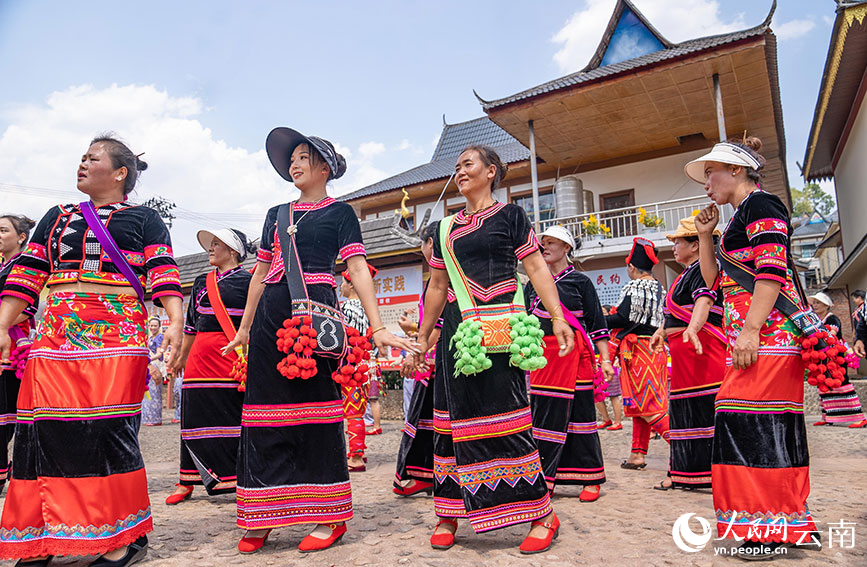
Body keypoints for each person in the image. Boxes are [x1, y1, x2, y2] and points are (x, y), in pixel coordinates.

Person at [224, 127, 416, 554]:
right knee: (262, 414)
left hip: (315, 318)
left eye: (303, 157)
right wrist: (243, 329)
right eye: (290, 158)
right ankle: (264, 510)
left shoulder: (342, 214)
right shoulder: (275, 213)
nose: (294, 164)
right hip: (271, 318)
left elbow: (359, 268)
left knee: (316, 412)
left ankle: (328, 514)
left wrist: (378, 324)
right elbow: (259, 273)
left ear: (325, 167)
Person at [0, 135, 184, 567]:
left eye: (93, 158)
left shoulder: (144, 219)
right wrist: (2, 323)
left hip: (118, 336)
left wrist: (175, 320)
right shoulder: (58, 217)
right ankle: (43, 534)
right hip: (55, 335)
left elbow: (162, 271)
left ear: (120, 172)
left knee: (106, 430)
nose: (82, 163)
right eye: (81, 157)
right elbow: (29, 271)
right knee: (41, 430)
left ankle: (124, 535)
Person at [412, 144, 574, 554]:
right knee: (450, 420)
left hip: (504, 329)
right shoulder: (443, 229)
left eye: (468, 164)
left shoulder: (512, 216)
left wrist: (556, 315)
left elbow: (535, 267)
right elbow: (437, 286)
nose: (461, 172)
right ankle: (448, 511)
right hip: (458, 332)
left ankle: (542, 513)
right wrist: (422, 336)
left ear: (491, 172)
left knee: (507, 417)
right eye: (458, 167)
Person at [688, 135, 820, 557]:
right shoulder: (739, 217)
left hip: (769, 340)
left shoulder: (762, 206)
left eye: (712, 172)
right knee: (770, 429)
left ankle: (770, 529)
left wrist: (750, 330)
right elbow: (713, 283)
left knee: (749, 425)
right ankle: (790, 521)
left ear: (738, 171)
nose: (707, 182)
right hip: (758, 338)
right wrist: (706, 236)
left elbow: (771, 272)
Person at [164, 228, 254, 505]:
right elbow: (191, 325)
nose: (211, 249)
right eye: (211, 244)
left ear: (233, 251)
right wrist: (180, 356)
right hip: (201, 358)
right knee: (193, 416)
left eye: (217, 244)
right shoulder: (202, 281)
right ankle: (186, 479)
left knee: (234, 417)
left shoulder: (251, 281)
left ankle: (240, 476)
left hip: (233, 358)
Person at [525, 226, 614, 502]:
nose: (546, 247)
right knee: (543, 416)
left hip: (573, 357)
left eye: (552, 243)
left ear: (566, 248)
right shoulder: (532, 284)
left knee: (580, 417)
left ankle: (590, 476)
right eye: (543, 243)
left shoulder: (580, 282)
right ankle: (545, 476)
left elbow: (597, 326)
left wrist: (607, 359)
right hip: (542, 359)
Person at [650, 216, 725, 491]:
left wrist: (692, 329)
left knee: (705, 410)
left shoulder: (705, 271)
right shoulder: (683, 274)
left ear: (696, 245)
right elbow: (672, 312)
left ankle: (716, 471)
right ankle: (683, 472)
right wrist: (661, 330)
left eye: (679, 241)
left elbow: (704, 301)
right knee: (683, 412)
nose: (674, 247)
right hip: (683, 353)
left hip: (700, 350)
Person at [606, 238, 670, 470]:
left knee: (648, 406)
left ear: (632, 267)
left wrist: (598, 320)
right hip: (655, 348)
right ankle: (637, 454)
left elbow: (623, 318)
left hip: (637, 352)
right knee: (642, 404)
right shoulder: (659, 287)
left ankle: (684, 447)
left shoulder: (634, 287)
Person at [394, 222, 444, 497]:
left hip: (438, 359)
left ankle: (440, 477)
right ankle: (424, 475)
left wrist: (416, 352)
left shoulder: (445, 278)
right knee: (424, 418)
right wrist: (413, 331)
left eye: (423, 243)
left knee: (437, 420)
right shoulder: (432, 281)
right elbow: (430, 325)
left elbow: (440, 325)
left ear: (430, 244)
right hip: (430, 358)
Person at [0, 215, 37, 492]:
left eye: (3, 230)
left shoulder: (25, 267)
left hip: (12, 347)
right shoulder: (3, 267)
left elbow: (25, 309)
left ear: (21, 237)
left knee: (7, 413)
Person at [338, 263, 378, 472]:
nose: (341, 286)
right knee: (357, 411)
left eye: (344, 282)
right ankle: (357, 449)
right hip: (363, 364)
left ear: (352, 285)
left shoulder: (344, 309)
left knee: (352, 412)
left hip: (349, 365)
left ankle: (356, 457)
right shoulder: (367, 308)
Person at [807, 292, 867, 428]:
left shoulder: (832, 319)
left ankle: (859, 417)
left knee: (842, 383)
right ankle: (828, 415)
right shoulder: (815, 319)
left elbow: (829, 334)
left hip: (836, 357)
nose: (815, 305)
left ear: (826, 306)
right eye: (814, 303)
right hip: (821, 357)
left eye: (818, 303)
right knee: (822, 384)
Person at [142, 317, 166, 426]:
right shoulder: (150, 338)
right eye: (151, 325)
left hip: (156, 364)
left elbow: (159, 354)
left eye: (155, 325)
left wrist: (147, 360)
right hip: (149, 364)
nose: (153, 328)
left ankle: (154, 418)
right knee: (147, 391)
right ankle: (147, 417)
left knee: (154, 392)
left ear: (159, 327)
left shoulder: (160, 338)